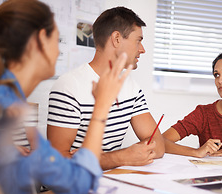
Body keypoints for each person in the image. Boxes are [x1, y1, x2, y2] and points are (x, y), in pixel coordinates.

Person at [0, 0, 131, 194]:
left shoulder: (5, 100)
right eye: (58, 40)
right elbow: (78, 183)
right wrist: (102, 105)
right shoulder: (5, 107)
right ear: (40, 41)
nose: (59, 51)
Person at [47, 6, 165, 170]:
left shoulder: (131, 86)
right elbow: (57, 162)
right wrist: (123, 156)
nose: (142, 49)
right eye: (138, 40)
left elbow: (158, 145)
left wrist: (99, 158)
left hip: (107, 181)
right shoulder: (69, 86)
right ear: (116, 38)